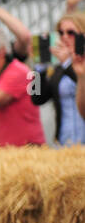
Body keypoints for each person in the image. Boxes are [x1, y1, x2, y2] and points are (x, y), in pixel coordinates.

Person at [31, 11, 85, 146]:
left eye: (70, 32)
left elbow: (80, 80)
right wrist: (39, 69)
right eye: (61, 33)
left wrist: (68, 64)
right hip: (65, 141)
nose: (65, 37)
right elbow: (37, 98)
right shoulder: (58, 68)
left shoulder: (65, 65)